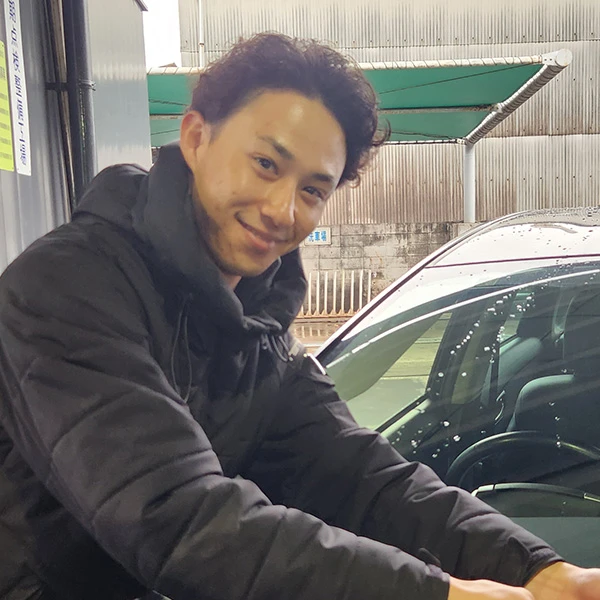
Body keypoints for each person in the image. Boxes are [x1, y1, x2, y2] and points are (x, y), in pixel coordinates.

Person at [0, 32, 597, 600]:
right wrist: (436, 592)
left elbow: (358, 474)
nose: (282, 210)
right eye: (266, 163)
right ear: (196, 137)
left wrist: (537, 569)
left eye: (313, 190)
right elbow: (173, 516)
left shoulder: (254, 325)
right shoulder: (66, 287)